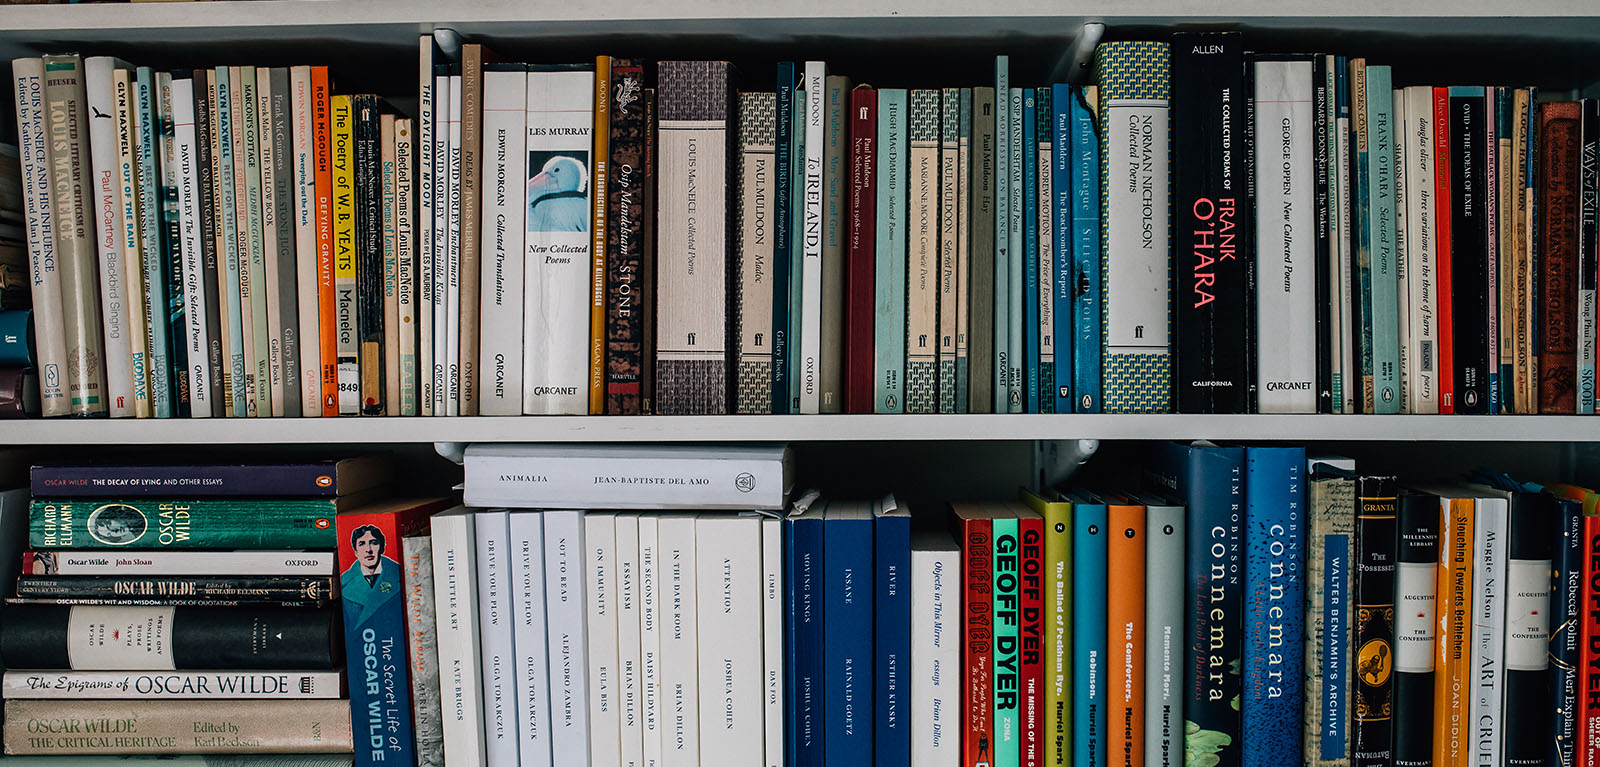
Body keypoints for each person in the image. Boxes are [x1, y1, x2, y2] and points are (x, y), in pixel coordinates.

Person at [340, 524, 402, 626]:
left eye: (374, 543)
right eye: (362, 544)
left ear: (382, 548)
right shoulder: (343, 583)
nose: (368, 549)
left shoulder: (401, 574)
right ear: (356, 552)